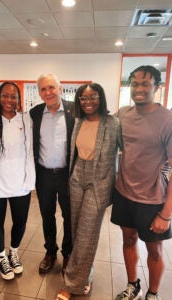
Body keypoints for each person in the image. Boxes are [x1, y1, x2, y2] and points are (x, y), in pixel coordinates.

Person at [55, 83, 122, 300]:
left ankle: (73, 284)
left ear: (100, 98)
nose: (88, 102)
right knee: (76, 230)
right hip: (77, 177)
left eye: (92, 97)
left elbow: (127, 151)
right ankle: (86, 273)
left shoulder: (113, 123)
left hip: (99, 181)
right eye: (83, 98)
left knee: (86, 232)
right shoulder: (78, 121)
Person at [111, 65, 172, 300]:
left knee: (154, 250)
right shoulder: (123, 114)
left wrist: (166, 213)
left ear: (156, 87)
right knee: (128, 240)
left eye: (146, 83)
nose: (139, 88)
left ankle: (153, 293)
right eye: (135, 83)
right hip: (124, 193)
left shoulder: (167, 119)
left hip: (152, 199)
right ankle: (132, 285)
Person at [0, 82, 35, 280]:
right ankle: (2, 258)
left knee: (20, 221)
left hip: (21, 181)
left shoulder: (26, 119)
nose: (9, 100)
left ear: (19, 99)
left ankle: (13, 252)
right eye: (5, 95)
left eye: (13, 96)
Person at [30, 74, 74, 274]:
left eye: (51, 88)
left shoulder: (75, 110)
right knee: (47, 215)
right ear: (39, 92)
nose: (47, 92)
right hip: (44, 175)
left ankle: (68, 254)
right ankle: (50, 252)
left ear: (60, 88)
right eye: (43, 89)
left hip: (68, 175)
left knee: (69, 216)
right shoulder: (35, 113)